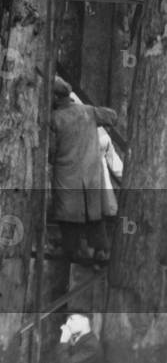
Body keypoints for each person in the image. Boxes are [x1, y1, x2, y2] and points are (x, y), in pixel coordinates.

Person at [50, 76, 115, 265]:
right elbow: (113, 116)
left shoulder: (54, 119)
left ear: (54, 97)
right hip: (91, 176)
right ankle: (101, 251)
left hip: (67, 176)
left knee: (68, 217)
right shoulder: (89, 111)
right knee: (93, 214)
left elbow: (50, 152)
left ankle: (74, 253)